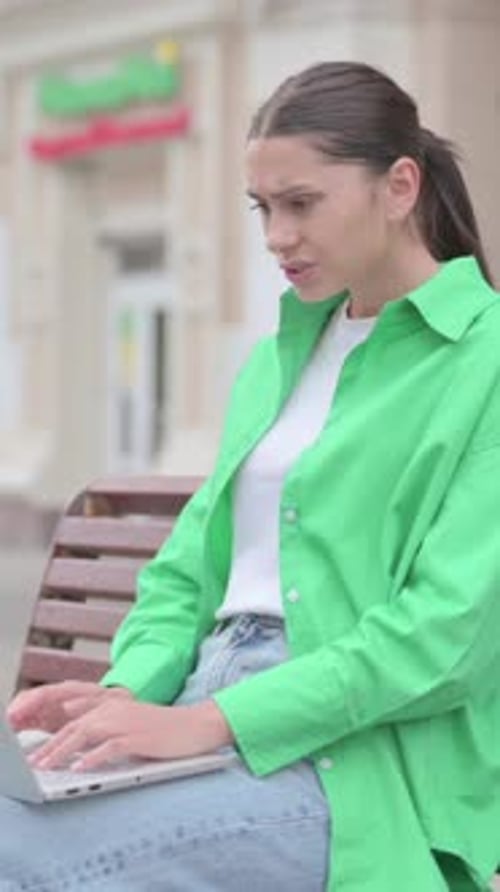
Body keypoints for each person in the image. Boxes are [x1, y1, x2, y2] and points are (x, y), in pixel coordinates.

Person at [3, 59, 500, 891]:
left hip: (356, 767)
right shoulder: (277, 360)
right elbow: (186, 571)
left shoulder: (483, 362)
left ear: (400, 185)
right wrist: (121, 699)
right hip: (200, 710)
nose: (276, 237)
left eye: (302, 203)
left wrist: (209, 722)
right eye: (264, 208)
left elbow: (445, 638)